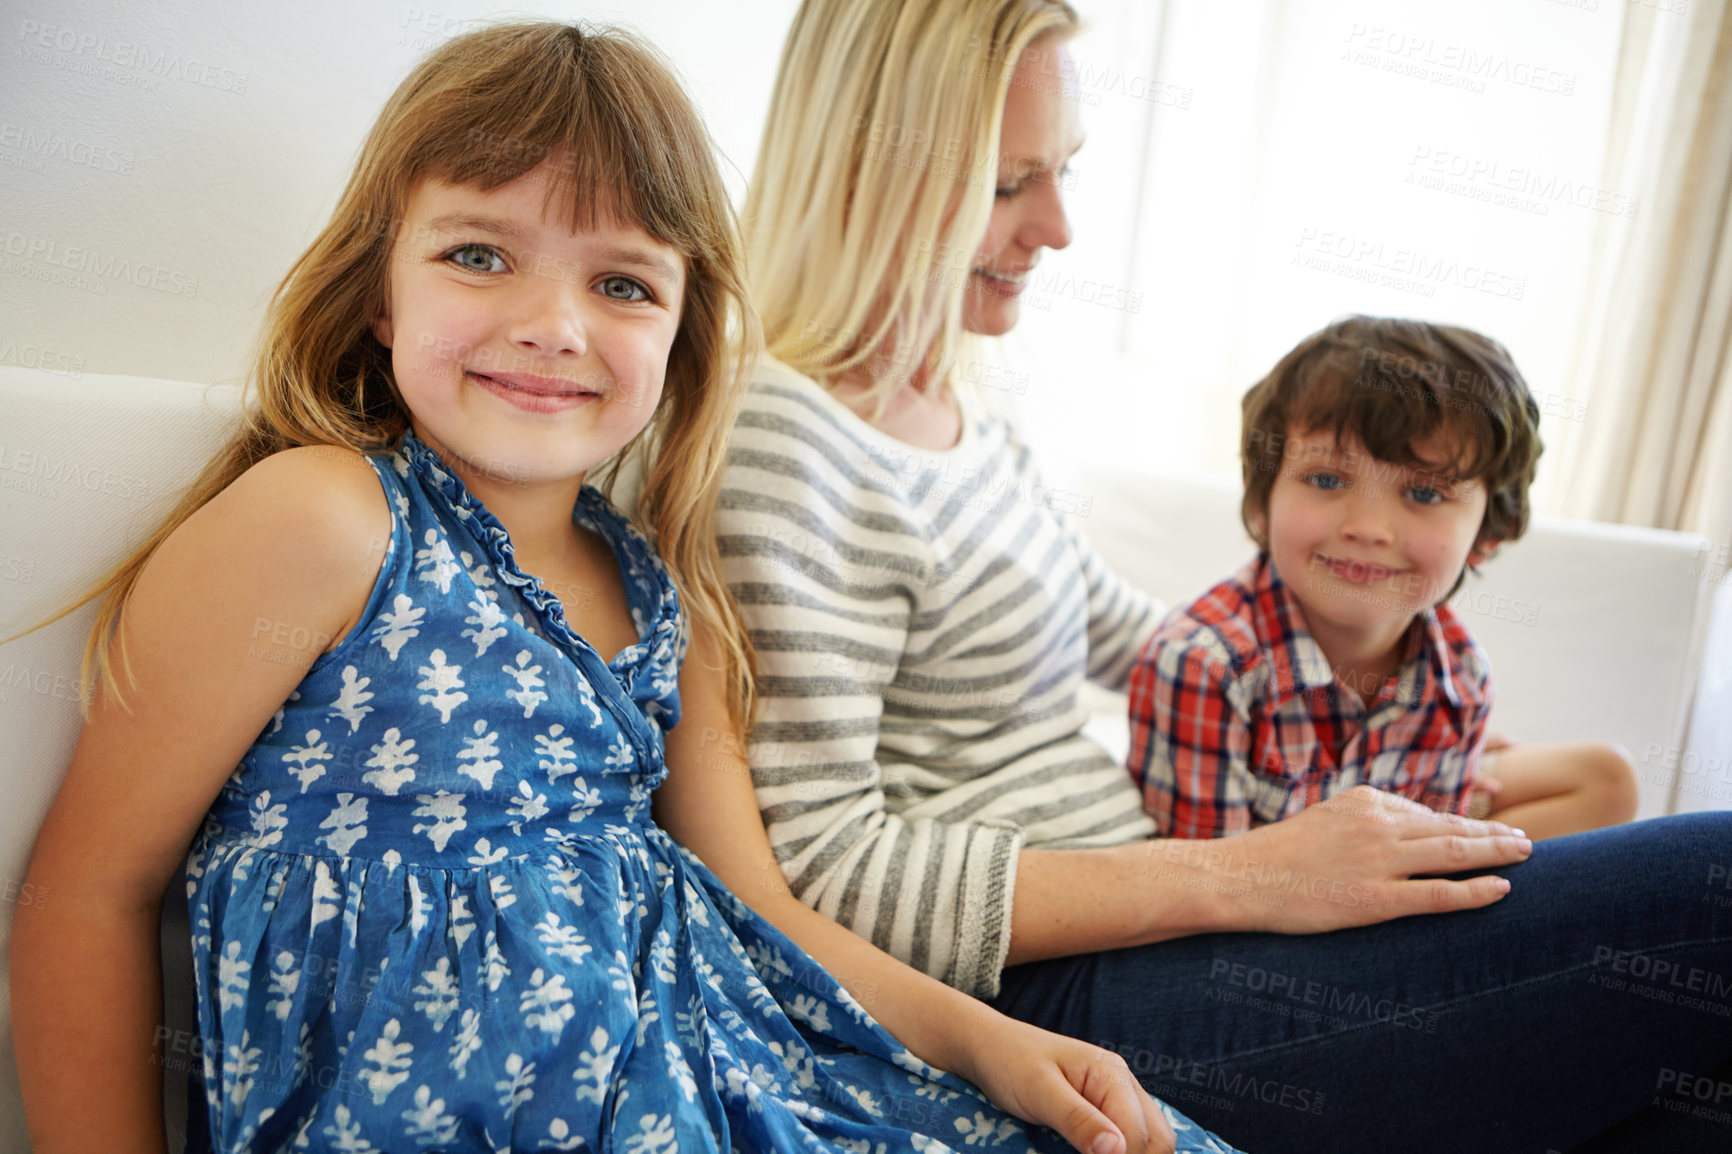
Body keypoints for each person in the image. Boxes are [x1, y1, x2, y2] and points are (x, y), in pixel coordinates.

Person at [6, 22, 1243, 1154]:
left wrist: (1003, 1046)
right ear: (379, 291)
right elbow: (85, 894)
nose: (553, 324)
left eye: (622, 283)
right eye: (481, 254)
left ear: (681, 330)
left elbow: (762, 911)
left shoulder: (663, 592)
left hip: (736, 1083)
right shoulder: (325, 518)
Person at [721, 1, 1732, 1150]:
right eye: (1007, 186)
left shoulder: (958, 404)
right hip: (1071, 987)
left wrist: (1349, 710)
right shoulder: (785, 446)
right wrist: (1248, 874)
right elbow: (825, 873)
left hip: (1177, 928)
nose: (1057, 228)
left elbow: (1122, 626)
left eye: (1063, 171)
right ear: (858, 174)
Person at [1126, 316, 1639, 841]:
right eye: (1326, 479)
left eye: (1425, 494)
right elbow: (1204, 897)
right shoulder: (1203, 665)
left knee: (1607, 778)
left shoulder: (1460, 674)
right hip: (1268, 905)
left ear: (1488, 535)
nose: (1368, 528)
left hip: (1386, 890)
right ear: (1262, 503)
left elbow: (1425, 855)